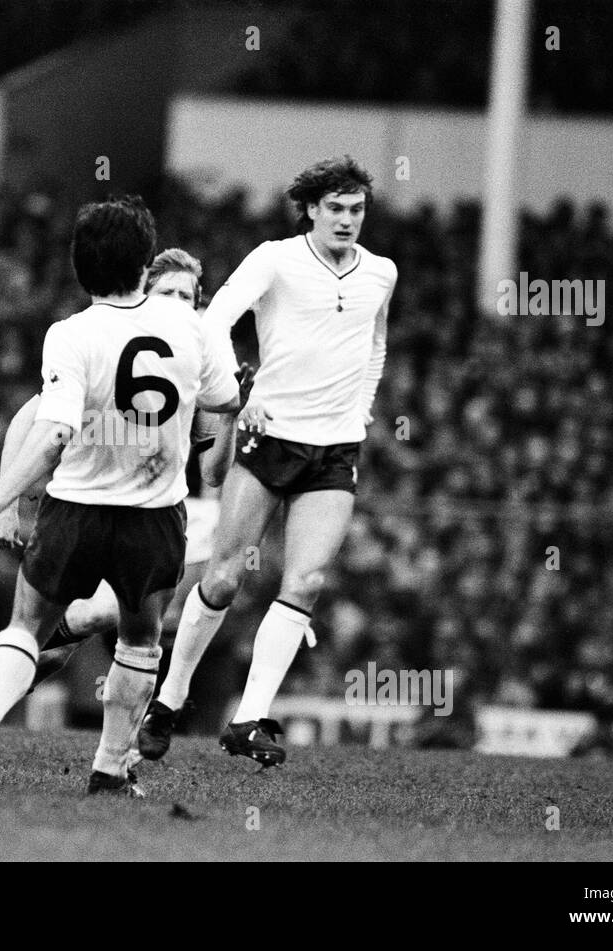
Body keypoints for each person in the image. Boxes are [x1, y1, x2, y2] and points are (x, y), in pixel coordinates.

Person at [0, 199, 243, 796]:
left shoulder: (70, 334)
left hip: (74, 509)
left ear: (81, 268)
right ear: (144, 267)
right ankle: (108, 769)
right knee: (139, 639)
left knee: (27, 628)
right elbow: (225, 403)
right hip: (154, 519)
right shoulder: (195, 330)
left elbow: (51, 432)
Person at [139, 156, 398, 767]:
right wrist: (240, 394)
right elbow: (215, 320)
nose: (346, 219)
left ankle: (249, 719)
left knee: (305, 581)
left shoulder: (380, 273)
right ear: (310, 209)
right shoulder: (274, 259)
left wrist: (362, 406)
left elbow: (376, 342)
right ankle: (167, 701)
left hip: (335, 448)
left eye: (356, 209)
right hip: (270, 436)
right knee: (224, 576)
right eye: (334, 208)